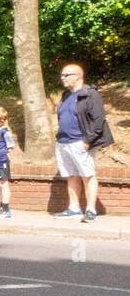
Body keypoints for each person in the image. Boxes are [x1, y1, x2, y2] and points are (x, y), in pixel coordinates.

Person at [54, 63, 113, 222]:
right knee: (71, 176)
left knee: (87, 175)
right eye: (62, 75)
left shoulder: (90, 94)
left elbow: (98, 120)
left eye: (66, 75)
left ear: (78, 76)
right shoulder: (66, 95)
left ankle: (91, 210)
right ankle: (74, 209)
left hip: (80, 142)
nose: (62, 78)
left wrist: (87, 141)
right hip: (63, 142)